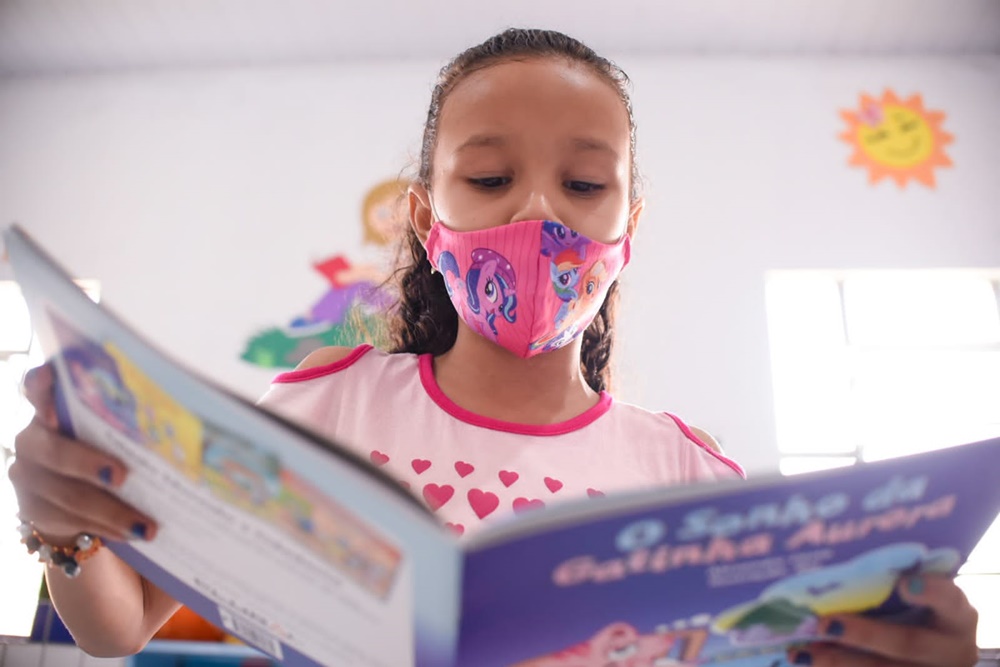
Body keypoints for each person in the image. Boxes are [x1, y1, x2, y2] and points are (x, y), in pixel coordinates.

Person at [8, 28, 980, 667]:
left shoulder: (689, 477)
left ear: (629, 227)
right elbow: (119, 625)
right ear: (426, 218)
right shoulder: (326, 404)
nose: (537, 212)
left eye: (584, 185)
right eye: (488, 178)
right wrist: (64, 522)